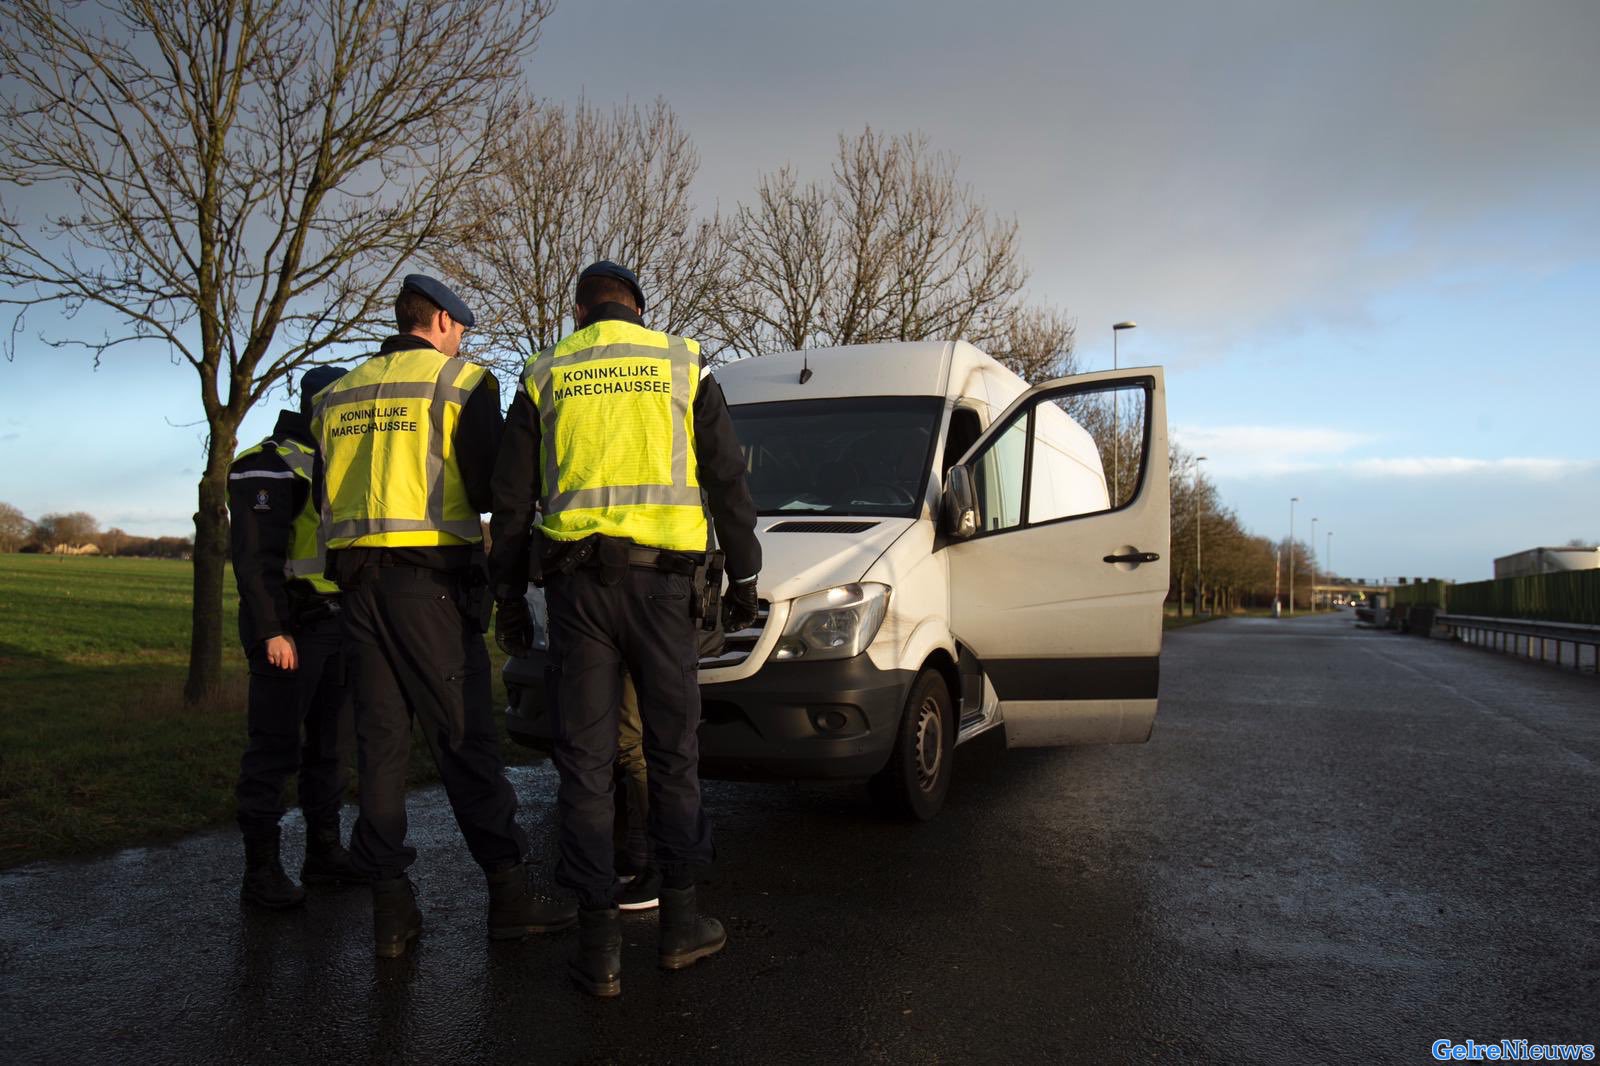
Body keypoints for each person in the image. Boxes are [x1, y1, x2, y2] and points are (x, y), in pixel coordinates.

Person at [490, 260, 761, 997]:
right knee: (673, 753)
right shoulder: (682, 362)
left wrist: (508, 598)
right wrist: (745, 577)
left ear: (580, 311)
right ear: (640, 308)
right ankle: (678, 925)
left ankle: (598, 947)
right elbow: (727, 477)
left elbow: (512, 502)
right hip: (665, 592)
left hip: (577, 592)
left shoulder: (545, 373)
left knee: (585, 761)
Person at [310, 274, 576, 958]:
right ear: (440, 324)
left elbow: (322, 496)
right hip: (428, 586)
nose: (463, 343)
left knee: (381, 748)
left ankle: (392, 916)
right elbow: (489, 485)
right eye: (461, 331)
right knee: (463, 740)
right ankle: (510, 893)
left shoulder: (336, 393)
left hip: (356, 592)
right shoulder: (462, 384)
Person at [227, 366, 364, 908]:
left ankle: (323, 857)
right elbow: (254, 562)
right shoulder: (268, 463)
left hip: (337, 626)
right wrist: (271, 631)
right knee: (274, 750)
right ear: (319, 406)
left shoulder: (342, 462)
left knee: (329, 751)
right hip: (292, 631)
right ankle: (260, 875)